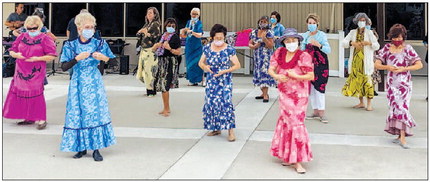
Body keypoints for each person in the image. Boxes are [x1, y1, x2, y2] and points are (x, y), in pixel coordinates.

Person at [59, 12, 116, 161]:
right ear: (78, 28)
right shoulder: (70, 45)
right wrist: (77, 59)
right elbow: (64, 66)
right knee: (78, 113)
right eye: (87, 27)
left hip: (94, 82)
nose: (90, 29)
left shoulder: (99, 43)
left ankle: (96, 148)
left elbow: (115, 62)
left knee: (94, 113)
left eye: (92, 27)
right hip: (77, 83)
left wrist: (104, 58)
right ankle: (81, 147)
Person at [268, 28, 314, 174]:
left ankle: (298, 160)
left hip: (299, 96)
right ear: (283, 42)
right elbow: (271, 69)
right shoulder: (279, 53)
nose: (291, 43)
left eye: (293, 40)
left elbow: (311, 76)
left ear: (298, 42)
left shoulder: (304, 56)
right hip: (284, 93)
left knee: (296, 123)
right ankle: (287, 155)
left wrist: (296, 76)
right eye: (288, 41)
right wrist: (277, 76)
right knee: (286, 121)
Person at [2, 16, 57, 129]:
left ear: (39, 27)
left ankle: (41, 118)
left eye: (34, 28)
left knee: (36, 93)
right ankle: (28, 117)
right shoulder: (22, 36)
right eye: (29, 28)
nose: (31, 30)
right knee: (22, 92)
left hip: (36, 70)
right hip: (21, 69)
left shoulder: (44, 38)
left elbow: (52, 55)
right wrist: (16, 55)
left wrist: (37, 58)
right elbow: (12, 49)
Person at [374, 24, 423, 149]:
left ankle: (402, 136)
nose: (396, 40)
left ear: (403, 37)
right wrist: (388, 67)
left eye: (399, 38)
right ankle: (397, 134)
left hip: (404, 84)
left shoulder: (408, 49)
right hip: (391, 84)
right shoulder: (386, 48)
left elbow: (419, 65)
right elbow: (377, 64)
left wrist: (405, 68)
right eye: (394, 38)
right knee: (394, 107)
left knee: (402, 108)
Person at [198, 24, 241, 142]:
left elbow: (237, 65)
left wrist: (225, 70)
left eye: (221, 38)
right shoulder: (207, 48)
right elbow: (200, 63)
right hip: (212, 80)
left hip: (225, 80)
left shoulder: (229, 49)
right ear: (212, 37)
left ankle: (230, 130)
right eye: (217, 38)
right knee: (211, 103)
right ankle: (215, 127)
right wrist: (206, 67)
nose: (219, 40)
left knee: (225, 103)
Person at [341, 13, 379, 111]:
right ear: (357, 21)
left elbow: (377, 45)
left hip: (365, 61)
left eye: (363, 21)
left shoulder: (370, 33)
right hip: (355, 61)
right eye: (360, 20)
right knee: (358, 81)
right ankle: (361, 102)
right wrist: (351, 43)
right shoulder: (352, 32)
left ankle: (369, 103)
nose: (362, 22)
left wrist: (369, 43)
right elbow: (343, 43)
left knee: (367, 81)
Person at [301, 13, 331, 123]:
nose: (312, 25)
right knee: (311, 89)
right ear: (307, 24)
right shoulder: (305, 36)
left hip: (321, 65)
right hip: (309, 65)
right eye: (310, 23)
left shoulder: (321, 35)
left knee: (320, 87)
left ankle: (322, 112)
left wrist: (319, 45)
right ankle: (315, 111)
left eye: (314, 23)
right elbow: (301, 50)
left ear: (317, 24)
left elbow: (328, 50)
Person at [152, 18, 182, 117]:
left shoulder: (175, 38)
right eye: (169, 26)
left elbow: (179, 52)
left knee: (165, 85)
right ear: (165, 26)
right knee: (162, 84)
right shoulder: (161, 36)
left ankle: (166, 108)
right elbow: (153, 49)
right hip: (161, 62)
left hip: (169, 62)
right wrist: (157, 45)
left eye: (173, 26)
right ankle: (166, 107)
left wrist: (170, 49)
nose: (170, 28)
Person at [249, 16, 276, 103]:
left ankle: (266, 94)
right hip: (257, 58)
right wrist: (253, 46)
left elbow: (271, 45)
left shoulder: (269, 32)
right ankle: (262, 92)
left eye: (265, 22)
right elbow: (250, 43)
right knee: (258, 75)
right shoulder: (254, 32)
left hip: (265, 58)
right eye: (261, 21)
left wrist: (264, 40)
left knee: (265, 75)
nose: (263, 23)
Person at [136, 7, 161, 97]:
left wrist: (146, 33)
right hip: (144, 50)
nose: (149, 14)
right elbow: (138, 34)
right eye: (148, 13)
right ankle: (148, 88)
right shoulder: (147, 24)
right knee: (144, 70)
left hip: (151, 50)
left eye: (151, 13)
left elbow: (156, 37)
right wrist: (142, 31)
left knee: (149, 71)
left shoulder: (155, 24)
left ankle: (151, 90)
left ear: (155, 15)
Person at [183, 8, 204, 86]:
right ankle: (192, 80)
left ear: (198, 15)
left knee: (197, 63)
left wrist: (192, 32)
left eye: (196, 14)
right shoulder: (188, 22)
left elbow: (200, 34)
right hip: (189, 45)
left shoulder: (199, 23)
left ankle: (199, 79)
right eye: (193, 14)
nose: (194, 15)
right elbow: (184, 33)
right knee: (189, 63)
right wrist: (185, 31)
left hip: (197, 46)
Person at [366, 19, 382, 97]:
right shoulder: (358, 32)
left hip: (372, 55)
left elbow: (376, 42)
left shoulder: (373, 32)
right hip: (363, 55)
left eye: (368, 23)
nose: (367, 25)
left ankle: (373, 89)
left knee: (373, 73)